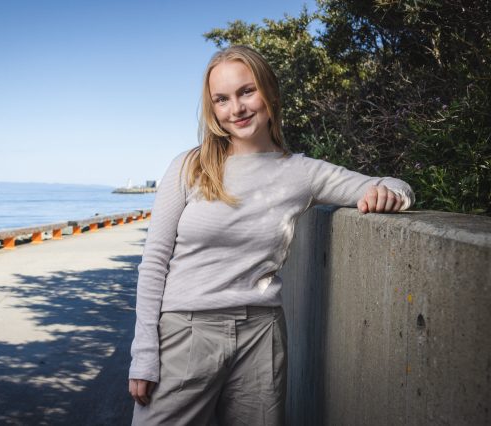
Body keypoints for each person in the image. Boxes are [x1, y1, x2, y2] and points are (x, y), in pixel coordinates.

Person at [128, 45, 415, 425]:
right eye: (222, 99)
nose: (237, 108)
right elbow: (154, 263)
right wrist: (144, 351)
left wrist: (391, 194)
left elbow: (394, 185)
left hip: (260, 336)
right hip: (186, 331)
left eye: (247, 92)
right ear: (212, 109)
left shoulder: (303, 173)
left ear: (270, 94)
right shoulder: (190, 166)